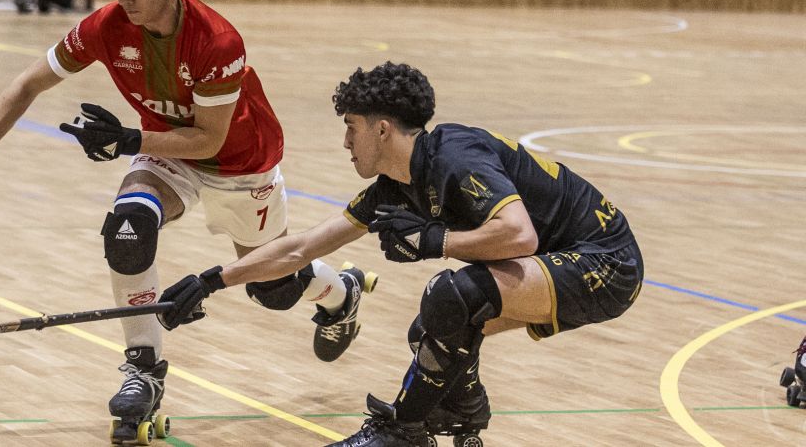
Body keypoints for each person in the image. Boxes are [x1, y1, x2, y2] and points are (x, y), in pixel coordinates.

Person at [0, 0, 373, 443]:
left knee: (276, 291)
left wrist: (125, 139)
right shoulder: (106, 27)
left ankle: (341, 292)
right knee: (127, 228)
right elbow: (28, 83)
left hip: (240, 165)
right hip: (167, 154)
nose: (126, 0)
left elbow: (208, 140)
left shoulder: (218, 42)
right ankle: (143, 367)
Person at [158, 62, 644, 446]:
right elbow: (301, 248)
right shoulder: (393, 188)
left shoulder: (454, 157)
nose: (346, 142)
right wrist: (212, 279)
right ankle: (463, 406)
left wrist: (437, 241)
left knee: (450, 295)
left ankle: (402, 431)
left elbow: (519, 235)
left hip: (605, 261)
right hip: (561, 263)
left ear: (383, 129)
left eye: (352, 128)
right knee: (431, 331)